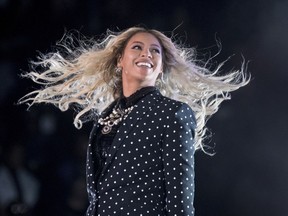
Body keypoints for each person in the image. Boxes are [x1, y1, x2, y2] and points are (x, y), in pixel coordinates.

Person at [19, 26, 250, 215]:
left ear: (161, 68)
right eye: (137, 47)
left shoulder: (173, 113)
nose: (146, 54)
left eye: (155, 51)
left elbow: (181, 195)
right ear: (120, 60)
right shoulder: (106, 117)